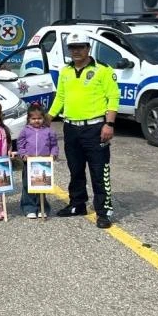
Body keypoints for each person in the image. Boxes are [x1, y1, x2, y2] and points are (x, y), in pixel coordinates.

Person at [46, 31, 120, 227]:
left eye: (80, 47)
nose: (76, 51)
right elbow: (60, 97)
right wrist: (48, 118)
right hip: (71, 128)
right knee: (75, 170)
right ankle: (77, 204)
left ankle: (103, 212)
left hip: (96, 128)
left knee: (99, 171)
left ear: (88, 48)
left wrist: (109, 124)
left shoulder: (103, 70)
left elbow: (113, 98)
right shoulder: (65, 71)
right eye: (72, 48)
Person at [17, 103, 59, 219]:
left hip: (43, 163)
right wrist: (23, 154)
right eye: (33, 119)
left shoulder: (49, 131)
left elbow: (54, 145)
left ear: (43, 118)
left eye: (39, 118)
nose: (36, 121)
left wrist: (53, 154)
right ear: (29, 119)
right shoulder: (25, 131)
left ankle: (42, 207)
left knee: (42, 185)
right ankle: (29, 208)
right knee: (28, 185)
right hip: (29, 162)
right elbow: (20, 144)